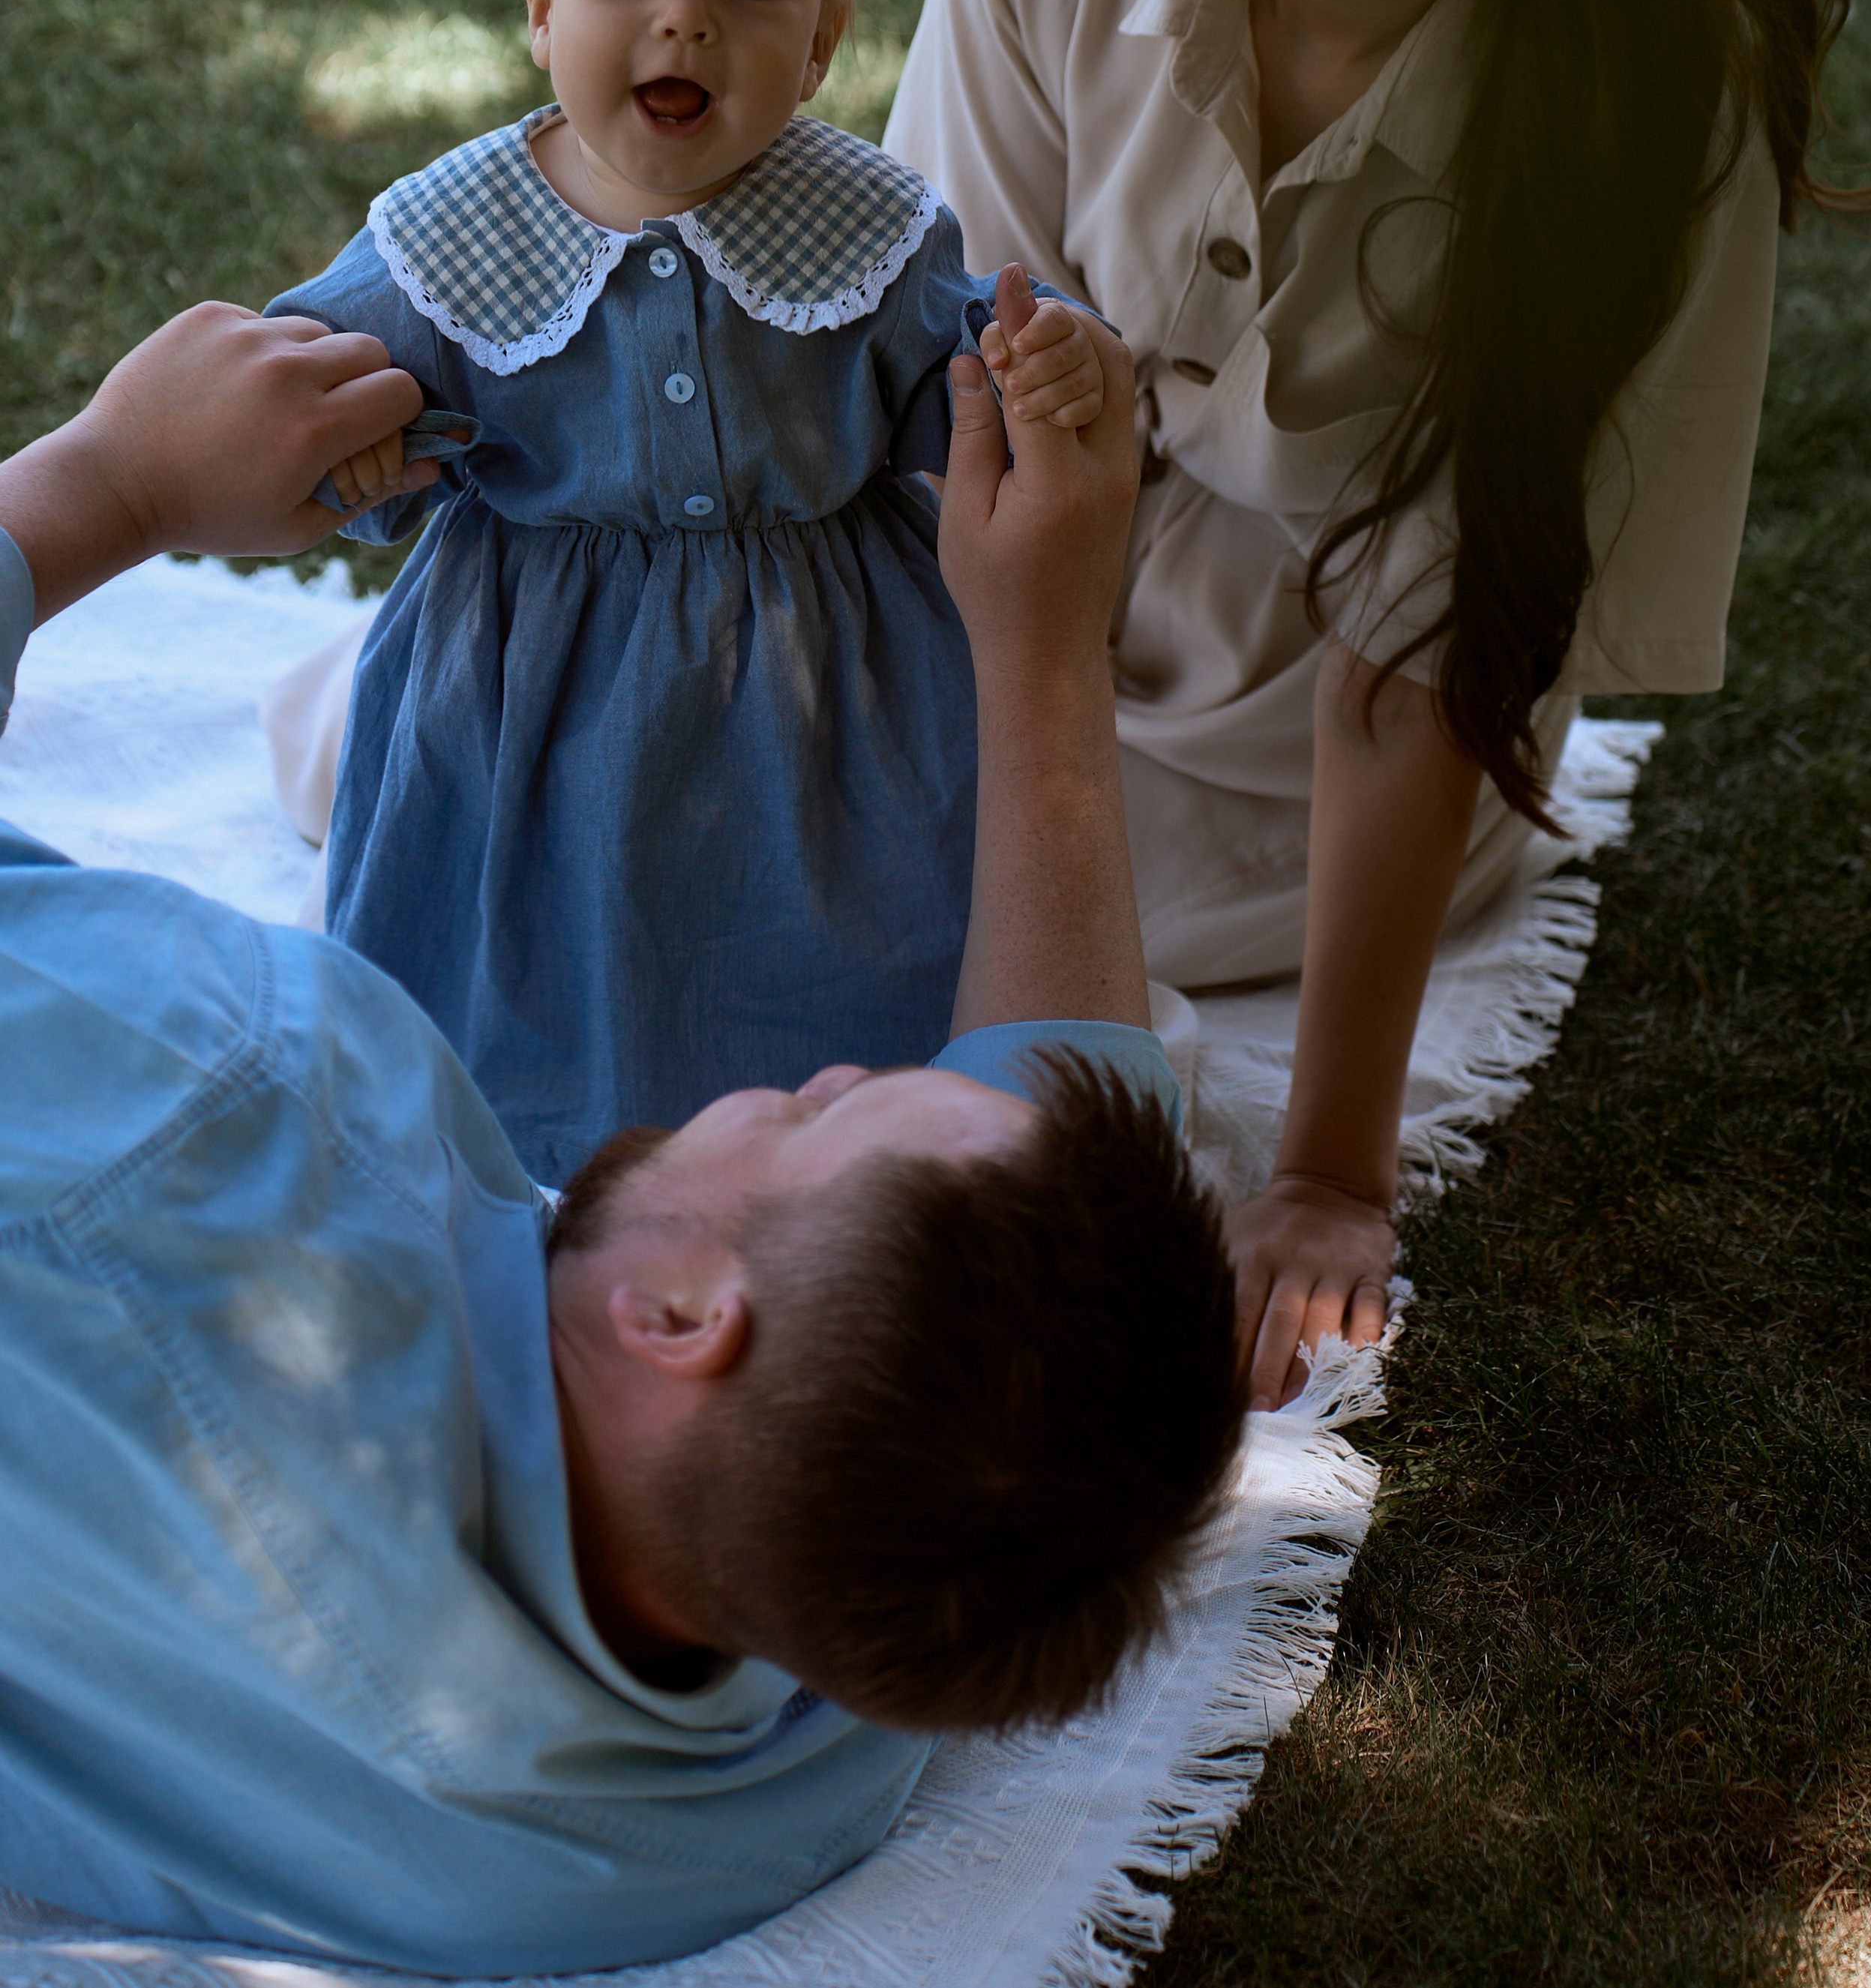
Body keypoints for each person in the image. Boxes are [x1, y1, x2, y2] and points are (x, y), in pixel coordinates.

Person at [0, 298, 1244, 1976]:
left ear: (679, 1315)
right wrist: (1036, 645)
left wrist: (114, 483)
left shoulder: (214, 1119)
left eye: (815, 1108)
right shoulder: (816, 1685)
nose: (794, 1077)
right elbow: (1053, 1130)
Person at [886, 0, 1855, 1407]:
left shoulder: (1655, 113)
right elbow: (954, 402)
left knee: (969, 976)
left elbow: (1424, 652)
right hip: (1015, 577)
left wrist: (1329, 1164)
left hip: (1315, 726)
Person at [264, 0, 1106, 1186]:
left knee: (852, 960)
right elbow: (310, 389)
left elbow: (951, 375)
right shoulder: (453, 234)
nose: (683, 22)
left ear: (827, 25)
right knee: (512, 986)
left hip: (825, 716)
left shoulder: (864, 227)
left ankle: (828, 1161)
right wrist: (342, 450)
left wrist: (1046, 372)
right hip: (531, 716)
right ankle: (515, 1150)